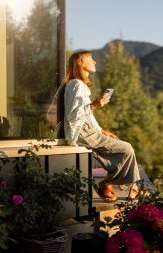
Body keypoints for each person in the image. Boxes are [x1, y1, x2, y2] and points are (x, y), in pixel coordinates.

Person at [62, 51, 141, 201]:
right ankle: (119, 185)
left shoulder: (77, 84)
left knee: (120, 151)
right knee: (126, 149)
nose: (94, 62)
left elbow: (86, 115)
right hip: (83, 133)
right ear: (80, 64)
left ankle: (113, 184)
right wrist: (93, 106)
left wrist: (101, 130)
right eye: (90, 59)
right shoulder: (76, 85)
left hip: (87, 131)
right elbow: (71, 115)